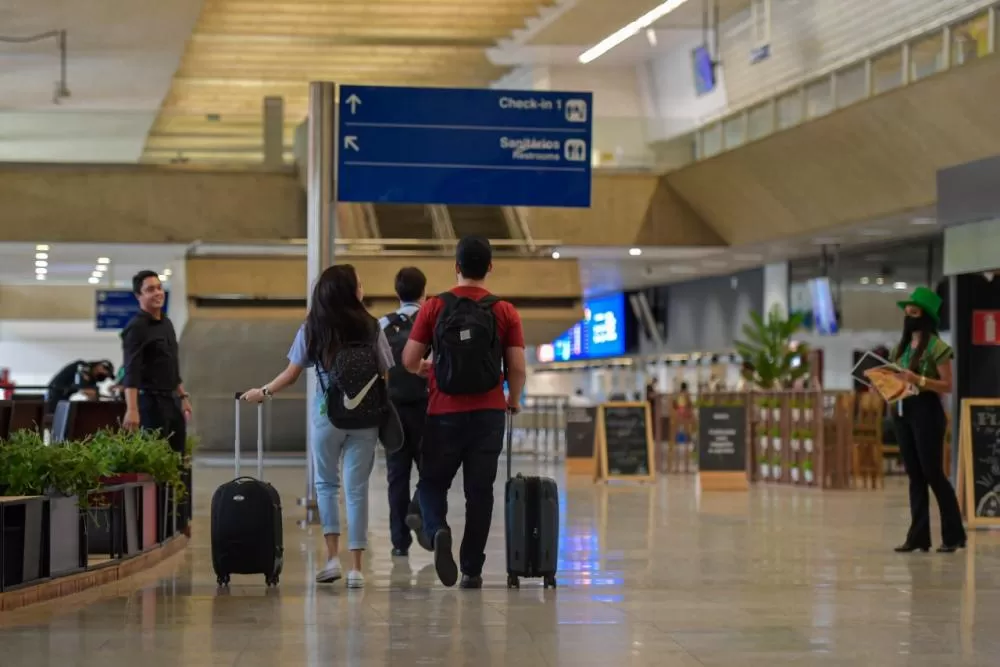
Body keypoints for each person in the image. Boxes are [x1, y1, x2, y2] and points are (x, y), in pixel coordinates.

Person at [241, 265, 395, 588]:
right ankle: (357, 569)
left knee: (326, 485)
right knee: (357, 489)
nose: (362, 287)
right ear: (350, 290)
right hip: (365, 418)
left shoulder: (314, 327)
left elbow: (292, 373)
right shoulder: (371, 325)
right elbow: (385, 371)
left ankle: (332, 559)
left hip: (327, 415)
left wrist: (263, 391)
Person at [401, 235, 526, 588]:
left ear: (456, 267)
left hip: (443, 413)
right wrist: (512, 399)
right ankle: (472, 569)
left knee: (431, 482)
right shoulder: (504, 310)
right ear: (489, 267)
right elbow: (517, 366)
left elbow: (408, 360)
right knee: (480, 492)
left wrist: (426, 367)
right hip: (487, 415)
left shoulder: (434, 307)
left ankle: (438, 528)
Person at [889, 286, 966, 554]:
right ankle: (919, 536)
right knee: (914, 475)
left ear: (926, 315)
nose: (909, 313)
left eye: (914, 309)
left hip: (927, 412)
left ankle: (954, 534)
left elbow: (948, 385)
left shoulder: (937, 347)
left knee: (933, 472)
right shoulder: (900, 348)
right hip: (902, 410)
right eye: (907, 310)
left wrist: (918, 380)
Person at [121, 271, 192, 533]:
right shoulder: (136, 329)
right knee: (155, 465)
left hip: (171, 400)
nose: (157, 293)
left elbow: (172, 367)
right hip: (149, 403)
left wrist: (183, 396)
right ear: (139, 296)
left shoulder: (168, 324)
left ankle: (176, 521)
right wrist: (132, 408)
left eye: (159, 287)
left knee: (176, 460)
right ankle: (155, 526)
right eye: (150, 289)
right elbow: (132, 371)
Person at [379, 267, 428, 558]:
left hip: (393, 412)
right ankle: (422, 515)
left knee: (397, 477)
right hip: (427, 409)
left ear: (397, 293)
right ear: (425, 291)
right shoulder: (432, 321)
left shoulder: (382, 325)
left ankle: (399, 543)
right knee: (431, 472)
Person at [45, 359, 114, 413]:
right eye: (105, 374)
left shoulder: (92, 377)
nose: (104, 377)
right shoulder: (82, 367)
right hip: (55, 395)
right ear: (100, 367)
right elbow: (86, 390)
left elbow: (94, 393)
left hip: (64, 398)